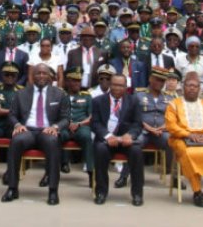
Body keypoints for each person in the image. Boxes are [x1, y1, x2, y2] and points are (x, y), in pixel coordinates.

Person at [1, 63, 69, 205]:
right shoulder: (21, 93)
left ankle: (53, 190)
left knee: (53, 142)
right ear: (32, 76)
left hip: (47, 130)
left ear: (50, 76)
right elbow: (12, 115)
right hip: (28, 130)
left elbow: (66, 118)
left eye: (44, 73)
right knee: (16, 140)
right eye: (38, 73)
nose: (41, 76)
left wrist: (55, 127)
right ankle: (12, 188)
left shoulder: (59, 94)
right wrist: (17, 125)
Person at [166, 72, 203, 208]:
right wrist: (188, 135)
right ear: (183, 87)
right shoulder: (173, 104)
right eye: (189, 85)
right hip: (181, 138)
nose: (192, 88)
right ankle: (197, 191)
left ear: (199, 88)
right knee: (188, 153)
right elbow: (171, 126)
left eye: (195, 86)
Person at [92, 73, 145, 206]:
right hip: (107, 140)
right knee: (100, 150)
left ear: (126, 87)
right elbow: (95, 123)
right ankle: (101, 192)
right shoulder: (98, 101)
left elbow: (138, 124)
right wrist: (107, 136)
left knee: (137, 151)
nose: (117, 88)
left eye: (121, 85)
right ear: (110, 85)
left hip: (125, 140)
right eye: (115, 85)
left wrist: (130, 135)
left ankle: (137, 194)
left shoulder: (134, 101)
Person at [59, 67, 94, 185]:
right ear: (67, 82)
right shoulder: (61, 95)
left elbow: (91, 116)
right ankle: (51, 171)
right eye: (74, 80)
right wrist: (65, 124)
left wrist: (79, 124)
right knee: (55, 137)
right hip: (64, 127)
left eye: (79, 81)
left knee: (87, 136)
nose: (77, 83)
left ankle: (91, 172)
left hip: (81, 126)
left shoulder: (86, 96)